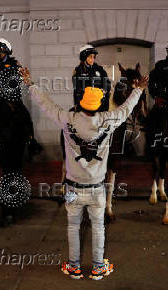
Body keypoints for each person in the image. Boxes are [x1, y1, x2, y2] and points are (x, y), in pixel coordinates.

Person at [21, 67, 148, 280]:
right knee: (98, 228)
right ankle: (98, 268)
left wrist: (30, 84)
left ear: (81, 102)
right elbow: (126, 110)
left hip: (72, 187)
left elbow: (46, 105)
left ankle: (74, 267)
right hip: (98, 188)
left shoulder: (67, 119)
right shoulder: (108, 119)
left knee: (72, 226)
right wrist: (138, 91)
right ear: (97, 104)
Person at [72, 44, 111, 112]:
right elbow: (77, 89)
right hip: (84, 105)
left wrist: (104, 90)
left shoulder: (100, 70)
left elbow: (107, 83)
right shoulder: (78, 71)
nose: (92, 59)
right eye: (90, 57)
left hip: (100, 105)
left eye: (94, 57)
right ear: (84, 57)